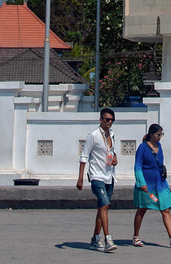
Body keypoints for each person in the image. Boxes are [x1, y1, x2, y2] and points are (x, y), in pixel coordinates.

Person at [132, 124, 171, 248]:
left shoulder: (159, 146)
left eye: (161, 134)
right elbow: (137, 167)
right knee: (142, 209)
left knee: (165, 208)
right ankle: (136, 237)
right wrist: (142, 183)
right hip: (146, 182)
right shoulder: (142, 148)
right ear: (151, 135)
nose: (160, 137)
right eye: (158, 134)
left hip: (159, 182)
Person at [77, 108, 119, 252]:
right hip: (96, 176)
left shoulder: (112, 135)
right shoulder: (93, 136)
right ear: (100, 120)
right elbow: (84, 157)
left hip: (109, 176)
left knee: (103, 207)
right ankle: (108, 238)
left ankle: (95, 238)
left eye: (111, 120)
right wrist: (80, 178)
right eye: (106, 119)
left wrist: (115, 159)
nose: (109, 122)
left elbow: (112, 152)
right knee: (104, 205)